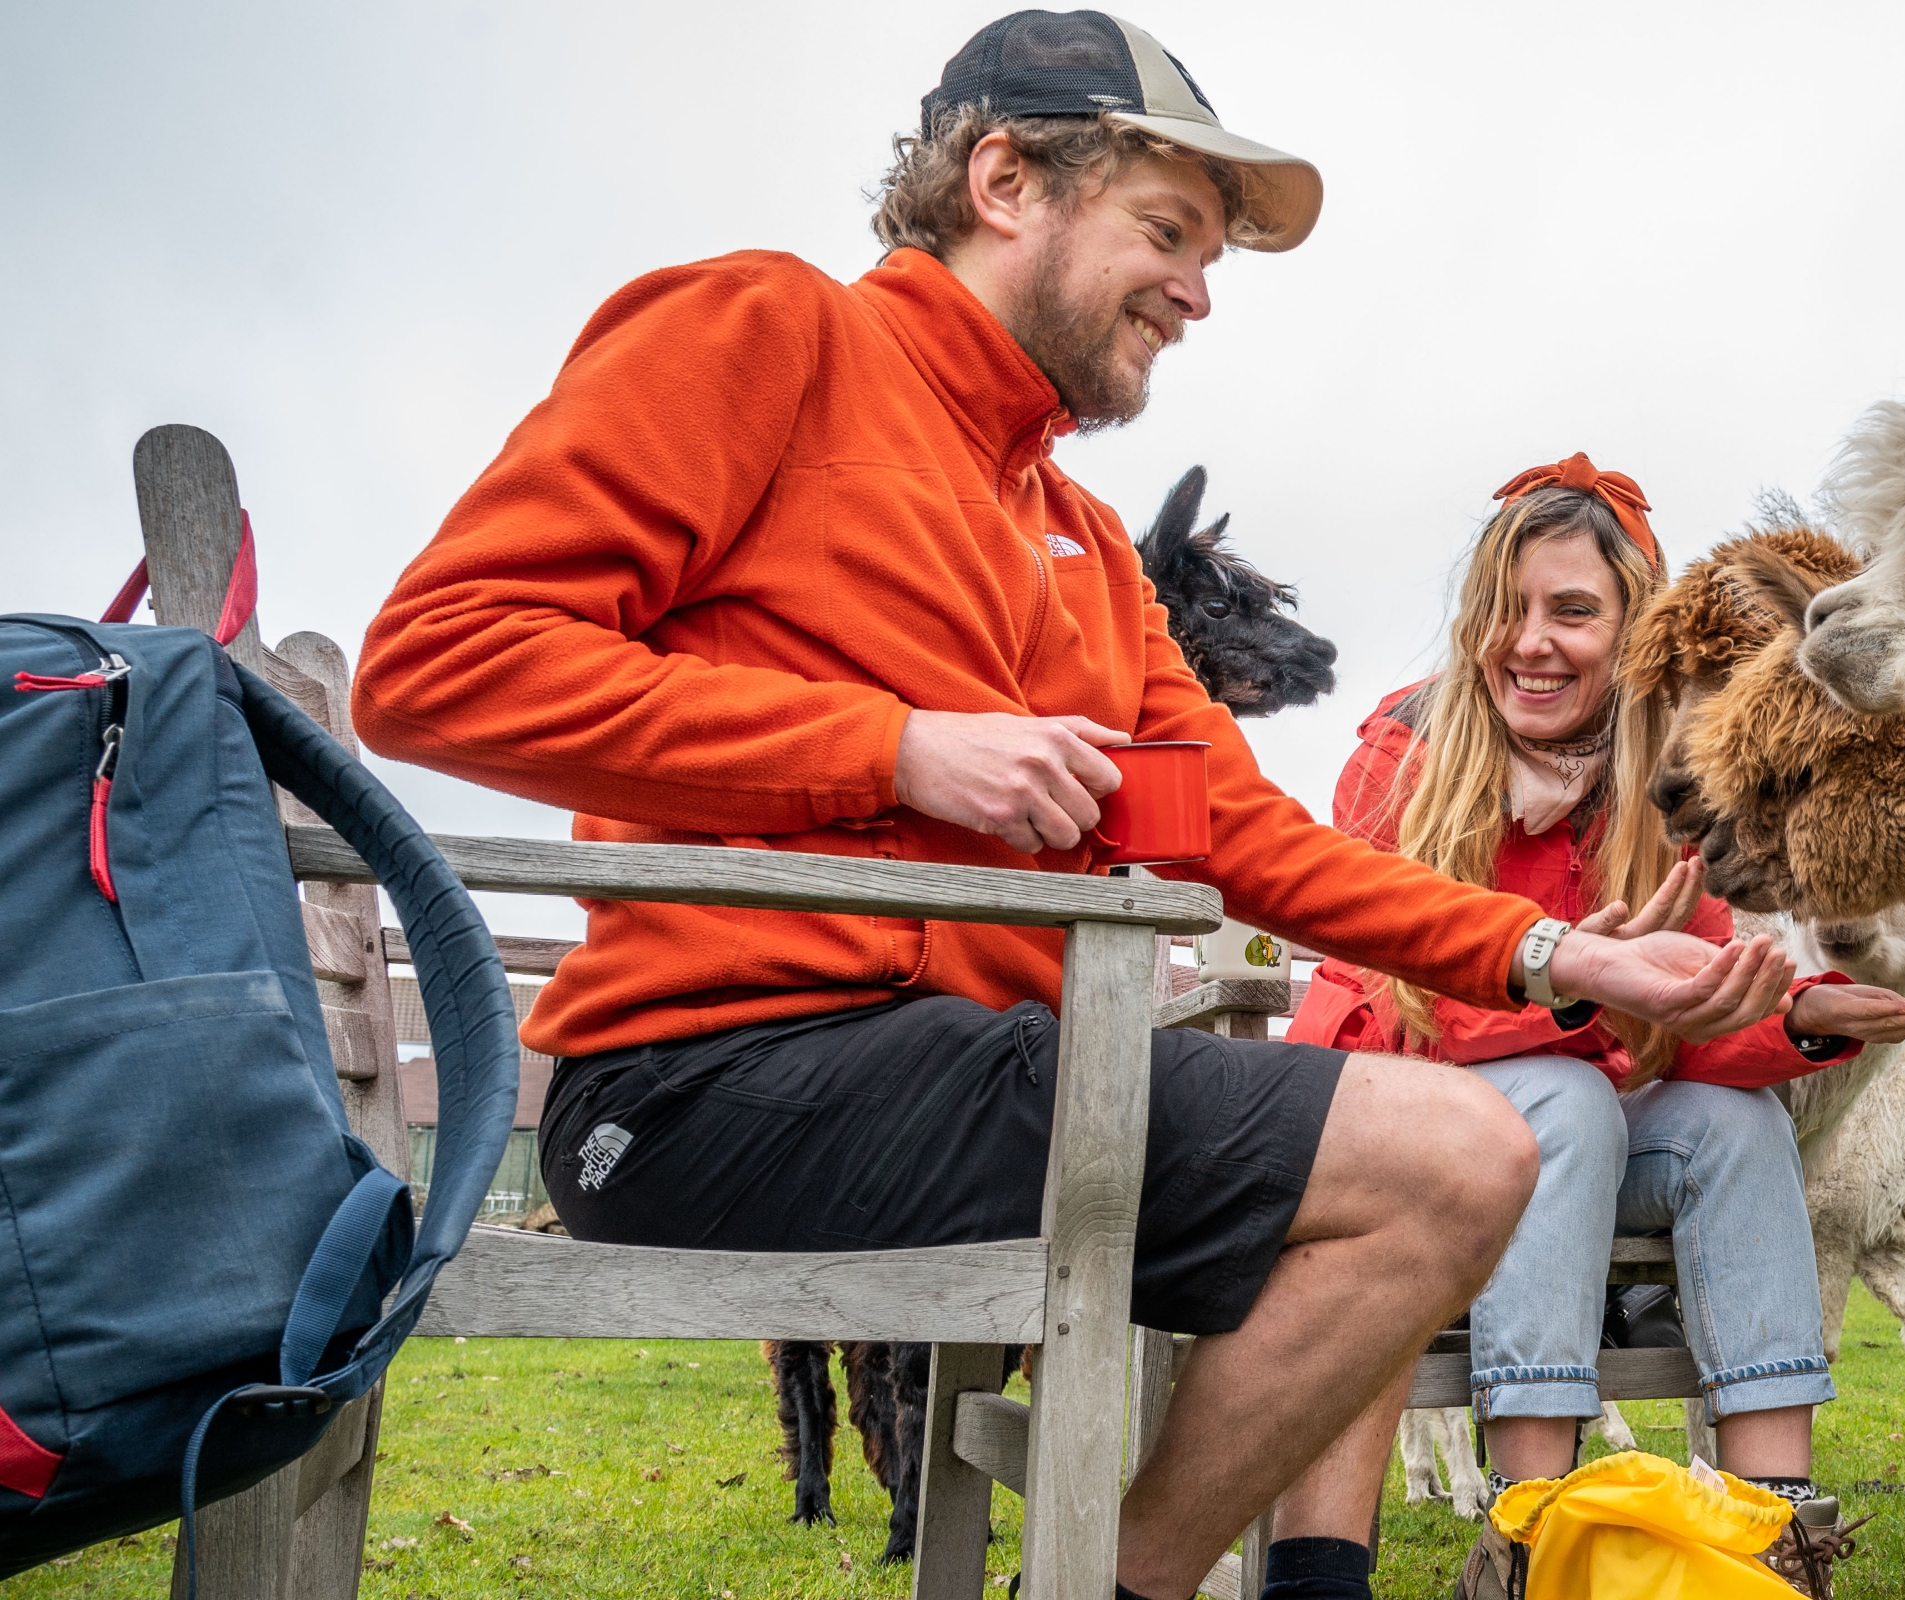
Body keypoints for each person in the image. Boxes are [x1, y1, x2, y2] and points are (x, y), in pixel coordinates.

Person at [347, 14, 1800, 1600]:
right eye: (1169, 233)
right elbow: (436, 665)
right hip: (703, 1087)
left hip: (999, 1084)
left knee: (1460, 1158)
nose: (1197, 289)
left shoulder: (1087, 547)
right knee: (1449, 1150)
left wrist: (1551, 958)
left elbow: (1246, 839)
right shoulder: (769, 333)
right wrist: (892, 749)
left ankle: (1124, 1582)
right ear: (1005, 180)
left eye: (1213, 257)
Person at [1285, 457, 1905, 1599]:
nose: (1531, 640)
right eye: (1509, 608)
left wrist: (1797, 1016)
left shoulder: (1653, 794)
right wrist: (1582, 989)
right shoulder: (1404, 758)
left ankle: (1771, 1533)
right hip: (1404, 1138)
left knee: (1729, 1122)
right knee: (1571, 1094)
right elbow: (1384, 1001)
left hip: (1576, 1149)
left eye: (1573, 611)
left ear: (1630, 632)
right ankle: (1532, 1524)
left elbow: (1685, 1012)